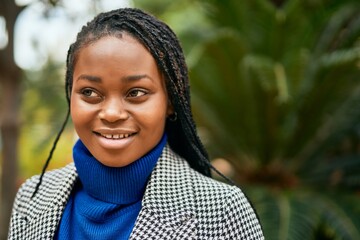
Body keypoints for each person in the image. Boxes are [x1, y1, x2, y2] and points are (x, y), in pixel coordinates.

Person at [8, 8, 264, 240]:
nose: (111, 113)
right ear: (70, 95)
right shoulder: (33, 198)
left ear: (170, 102)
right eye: (89, 92)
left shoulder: (221, 212)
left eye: (136, 93)